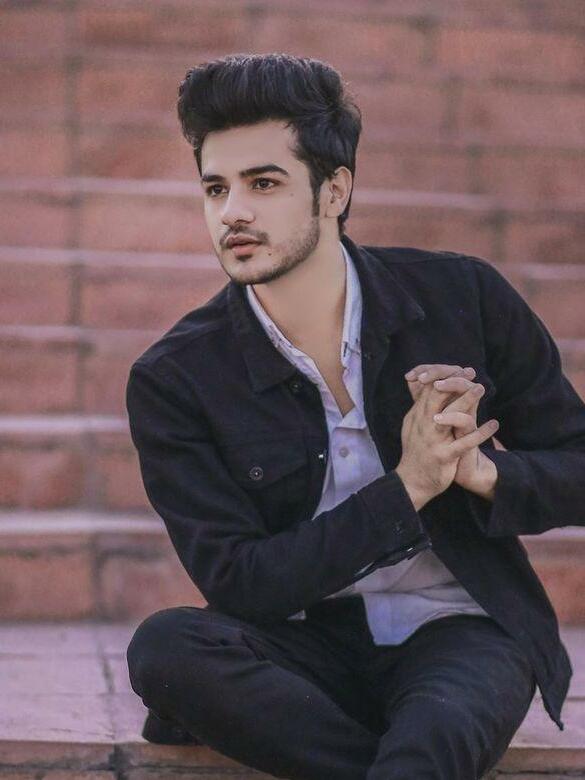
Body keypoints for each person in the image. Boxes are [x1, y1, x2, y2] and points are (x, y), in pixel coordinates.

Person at [125, 53, 584, 779]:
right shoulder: (175, 378)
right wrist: (409, 488)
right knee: (166, 648)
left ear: (333, 190)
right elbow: (241, 582)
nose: (232, 211)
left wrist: (479, 472)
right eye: (215, 187)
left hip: (458, 631)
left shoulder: (462, 297)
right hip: (301, 650)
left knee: (438, 729)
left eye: (263, 183)